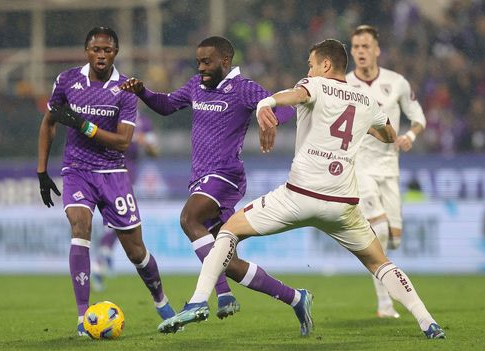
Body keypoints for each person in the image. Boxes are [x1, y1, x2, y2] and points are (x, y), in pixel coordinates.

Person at [157, 39, 445, 340]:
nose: (308, 68)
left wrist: (267, 104)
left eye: (311, 63)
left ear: (325, 65)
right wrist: (369, 129)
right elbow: (388, 134)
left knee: (228, 231)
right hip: (342, 205)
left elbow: (294, 95)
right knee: (380, 263)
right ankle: (428, 322)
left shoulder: (315, 84)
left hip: (299, 196)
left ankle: (199, 300)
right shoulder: (365, 101)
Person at [120, 36, 296, 320]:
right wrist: (143, 91)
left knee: (189, 219)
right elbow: (165, 105)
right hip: (201, 178)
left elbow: (285, 109)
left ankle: (206, 299)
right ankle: (296, 298)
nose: (200, 67)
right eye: (198, 61)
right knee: (228, 262)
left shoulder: (243, 89)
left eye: (207, 61)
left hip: (225, 175)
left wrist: (268, 114)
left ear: (225, 61)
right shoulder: (195, 86)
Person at [36, 27, 175, 337]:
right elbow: (49, 122)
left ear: (116, 53)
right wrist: (42, 170)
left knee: (136, 251)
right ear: (87, 51)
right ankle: (83, 317)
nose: (101, 55)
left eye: (107, 50)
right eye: (96, 49)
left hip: (113, 174)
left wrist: (84, 126)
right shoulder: (67, 80)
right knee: (80, 227)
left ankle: (161, 301)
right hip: (77, 170)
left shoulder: (125, 89)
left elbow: (124, 142)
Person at [346, 25, 427, 319]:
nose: (361, 52)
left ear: (377, 50)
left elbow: (418, 118)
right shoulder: (343, 85)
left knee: (394, 237)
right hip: (360, 166)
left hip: (389, 168)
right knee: (377, 230)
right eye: (356, 47)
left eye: (366, 46)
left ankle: (386, 290)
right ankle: (384, 305)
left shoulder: (397, 83)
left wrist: (410, 136)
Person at [92, 112, 159, 292]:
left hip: (130, 174)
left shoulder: (144, 121)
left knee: (120, 220)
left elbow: (154, 152)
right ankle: (102, 260)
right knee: (121, 219)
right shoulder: (112, 113)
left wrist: (145, 142)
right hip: (110, 170)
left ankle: (103, 259)